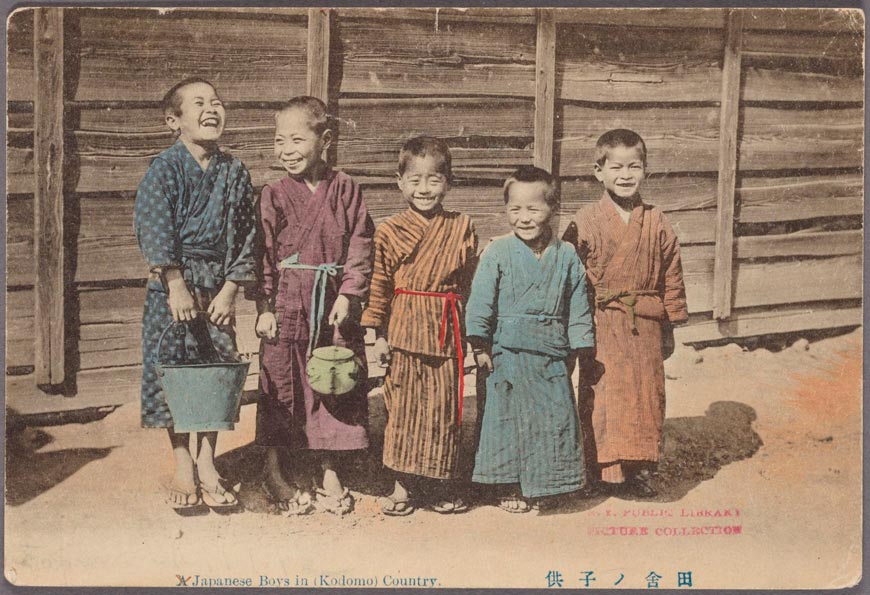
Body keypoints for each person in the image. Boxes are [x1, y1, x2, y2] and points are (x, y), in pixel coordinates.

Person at [134, 77, 257, 510]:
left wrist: (230, 291)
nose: (212, 109)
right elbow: (154, 226)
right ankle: (182, 459)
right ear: (174, 120)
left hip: (217, 286)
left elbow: (246, 236)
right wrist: (175, 284)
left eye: (217, 102)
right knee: (174, 369)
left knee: (215, 372)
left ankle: (208, 458)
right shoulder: (164, 169)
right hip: (174, 288)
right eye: (199, 103)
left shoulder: (234, 170)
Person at [253, 97, 374, 516]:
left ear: (325, 140)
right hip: (288, 299)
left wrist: (349, 292)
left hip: (332, 301)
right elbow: (263, 254)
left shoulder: (346, 189)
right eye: (278, 140)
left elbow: (360, 244)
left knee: (332, 379)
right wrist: (264, 306)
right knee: (281, 382)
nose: (285, 149)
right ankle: (275, 468)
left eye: (296, 139)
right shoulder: (272, 194)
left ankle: (329, 467)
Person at [566, 129, 688, 497]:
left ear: (645, 171)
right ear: (598, 171)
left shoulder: (657, 220)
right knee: (602, 396)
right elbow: (569, 275)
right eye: (615, 166)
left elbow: (672, 272)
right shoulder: (585, 219)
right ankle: (600, 470)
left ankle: (638, 470)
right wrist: (575, 325)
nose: (625, 175)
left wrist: (671, 323)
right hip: (601, 322)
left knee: (645, 397)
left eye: (634, 166)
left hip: (645, 323)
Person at [465, 166, 594, 513]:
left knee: (552, 418)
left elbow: (578, 302)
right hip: (506, 352)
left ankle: (549, 484)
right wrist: (479, 344)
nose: (523, 218)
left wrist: (579, 345)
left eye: (533, 209)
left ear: (552, 208)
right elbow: (480, 300)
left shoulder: (566, 255)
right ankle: (507, 486)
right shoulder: (496, 252)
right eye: (515, 209)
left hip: (551, 352)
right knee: (504, 419)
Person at [360, 136, 478, 516]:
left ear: (449, 182)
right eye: (414, 180)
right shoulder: (390, 231)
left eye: (433, 180)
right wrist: (374, 334)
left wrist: (473, 334)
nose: (424, 189)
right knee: (404, 409)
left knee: (443, 409)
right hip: (405, 328)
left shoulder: (462, 227)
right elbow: (378, 285)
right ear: (399, 182)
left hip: (445, 328)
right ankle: (402, 487)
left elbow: (469, 284)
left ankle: (440, 485)